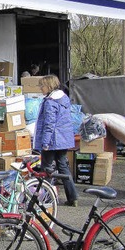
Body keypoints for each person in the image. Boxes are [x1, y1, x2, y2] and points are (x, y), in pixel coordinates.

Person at [33, 75, 78, 206]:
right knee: (63, 167)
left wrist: (45, 143)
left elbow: (49, 124)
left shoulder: (50, 102)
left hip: (52, 141)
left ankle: (45, 198)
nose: (40, 88)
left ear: (49, 86)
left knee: (46, 169)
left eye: (42, 85)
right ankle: (73, 197)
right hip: (63, 140)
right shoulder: (64, 99)